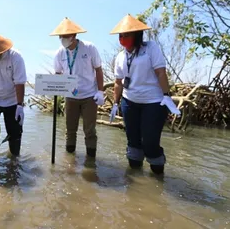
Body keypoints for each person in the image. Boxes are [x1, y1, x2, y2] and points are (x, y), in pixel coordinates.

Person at [108, 14, 180, 175]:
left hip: (153, 102)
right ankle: (135, 182)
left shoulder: (151, 48)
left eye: (126, 35)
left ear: (137, 35)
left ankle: (158, 178)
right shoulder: (120, 56)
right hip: (129, 102)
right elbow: (118, 83)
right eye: (120, 35)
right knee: (133, 143)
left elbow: (161, 72)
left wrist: (166, 95)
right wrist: (115, 103)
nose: (122, 38)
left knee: (150, 142)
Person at [51, 17, 104, 158]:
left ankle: (91, 162)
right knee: (70, 130)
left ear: (74, 36)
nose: (62, 38)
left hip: (89, 96)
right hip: (70, 96)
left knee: (90, 130)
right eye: (60, 36)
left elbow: (98, 69)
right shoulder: (59, 53)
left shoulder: (89, 48)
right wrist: (52, 87)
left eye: (65, 36)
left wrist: (100, 91)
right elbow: (57, 74)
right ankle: (70, 161)